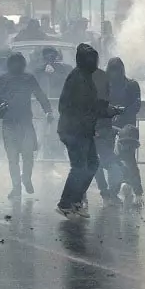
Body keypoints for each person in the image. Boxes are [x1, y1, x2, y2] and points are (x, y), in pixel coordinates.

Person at [55, 44, 120, 218]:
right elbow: (72, 106)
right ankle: (65, 203)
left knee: (92, 165)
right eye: (90, 59)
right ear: (82, 61)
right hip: (74, 131)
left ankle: (76, 201)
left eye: (95, 59)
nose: (94, 62)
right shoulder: (77, 78)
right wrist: (102, 112)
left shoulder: (85, 77)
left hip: (83, 130)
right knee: (79, 167)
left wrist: (107, 111)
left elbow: (90, 106)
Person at [0, 52, 52, 198]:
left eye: (18, 62)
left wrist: (48, 111)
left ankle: (26, 178)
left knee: (28, 155)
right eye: (13, 62)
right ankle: (16, 187)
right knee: (13, 158)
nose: (16, 65)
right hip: (9, 123)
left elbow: (40, 95)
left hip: (25, 123)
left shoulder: (28, 78)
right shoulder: (3, 79)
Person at [97, 57, 143, 206]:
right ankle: (129, 188)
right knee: (128, 159)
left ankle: (114, 191)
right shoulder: (132, 84)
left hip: (108, 127)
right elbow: (136, 106)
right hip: (126, 130)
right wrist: (122, 114)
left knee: (112, 160)